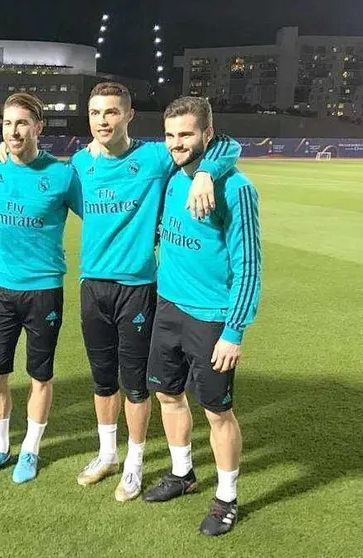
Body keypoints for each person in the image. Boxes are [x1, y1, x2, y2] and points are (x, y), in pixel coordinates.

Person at [70, 83, 241, 501]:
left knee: (136, 383)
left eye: (111, 112)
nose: (102, 121)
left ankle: (135, 463)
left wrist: (205, 173)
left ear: (129, 116)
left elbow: (225, 145)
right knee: (101, 378)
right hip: (92, 285)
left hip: (140, 289)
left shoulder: (154, 156)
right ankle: (107, 454)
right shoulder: (78, 162)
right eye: (95, 113)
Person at [142, 96, 261, 537]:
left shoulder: (237, 189)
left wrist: (234, 331)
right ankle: (182, 473)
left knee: (217, 411)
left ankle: (227, 499)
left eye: (186, 134)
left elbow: (249, 266)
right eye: (171, 135)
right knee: (168, 396)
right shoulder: (175, 177)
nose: (177, 144)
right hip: (168, 308)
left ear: (207, 135)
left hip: (211, 319)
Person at [0, 93, 83, 484]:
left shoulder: (64, 175)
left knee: (40, 376)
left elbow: (96, 215)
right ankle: (0, 447)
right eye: (6, 124)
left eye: (21, 123)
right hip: (2, 288)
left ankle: (30, 450)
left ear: (39, 127)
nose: (13, 131)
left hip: (45, 290)